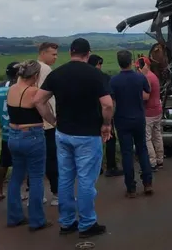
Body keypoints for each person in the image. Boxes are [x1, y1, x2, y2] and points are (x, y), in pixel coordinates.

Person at [32, 38, 114, 239]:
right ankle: (87, 223)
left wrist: (52, 120)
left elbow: (38, 100)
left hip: (63, 133)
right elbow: (107, 105)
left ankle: (67, 222)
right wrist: (106, 124)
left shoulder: (58, 73)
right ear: (88, 54)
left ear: (71, 53)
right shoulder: (95, 75)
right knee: (86, 180)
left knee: (66, 178)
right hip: (88, 135)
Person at [5, 60, 56, 232]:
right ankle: (37, 220)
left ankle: (14, 216)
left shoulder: (11, 89)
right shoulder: (34, 92)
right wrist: (55, 122)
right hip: (32, 135)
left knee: (16, 177)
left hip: (13, 136)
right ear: (35, 76)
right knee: (36, 178)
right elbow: (45, 112)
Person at [109, 50, 154, 198]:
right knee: (142, 150)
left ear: (119, 62)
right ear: (130, 61)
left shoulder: (113, 81)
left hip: (122, 121)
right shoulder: (140, 77)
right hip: (139, 118)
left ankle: (131, 188)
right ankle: (147, 183)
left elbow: (112, 103)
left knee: (126, 153)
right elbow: (147, 93)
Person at [88, 54, 124, 177]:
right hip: (104, 112)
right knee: (110, 139)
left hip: (90, 114)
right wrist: (110, 117)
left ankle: (95, 168)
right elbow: (110, 99)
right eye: (100, 64)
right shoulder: (103, 77)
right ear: (97, 64)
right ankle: (111, 166)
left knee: (93, 142)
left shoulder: (83, 77)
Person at [0, 62, 19, 202]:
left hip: (6, 130)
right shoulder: (21, 88)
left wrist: (2, 117)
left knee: (4, 162)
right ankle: (20, 191)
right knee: (23, 162)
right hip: (20, 130)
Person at [37, 42, 60, 206]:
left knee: (36, 160)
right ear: (43, 53)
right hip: (46, 122)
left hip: (33, 123)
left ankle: (36, 195)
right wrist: (53, 119)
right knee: (52, 158)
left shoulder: (31, 68)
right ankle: (56, 193)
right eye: (53, 54)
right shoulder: (45, 70)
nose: (55, 57)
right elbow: (45, 98)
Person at [138, 56, 164, 171]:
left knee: (147, 138)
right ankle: (160, 159)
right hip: (157, 110)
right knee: (157, 135)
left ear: (144, 66)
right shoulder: (154, 76)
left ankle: (151, 162)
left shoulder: (146, 77)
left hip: (149, 112)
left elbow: (145, 96)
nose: (137, 69)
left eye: (138, 67)